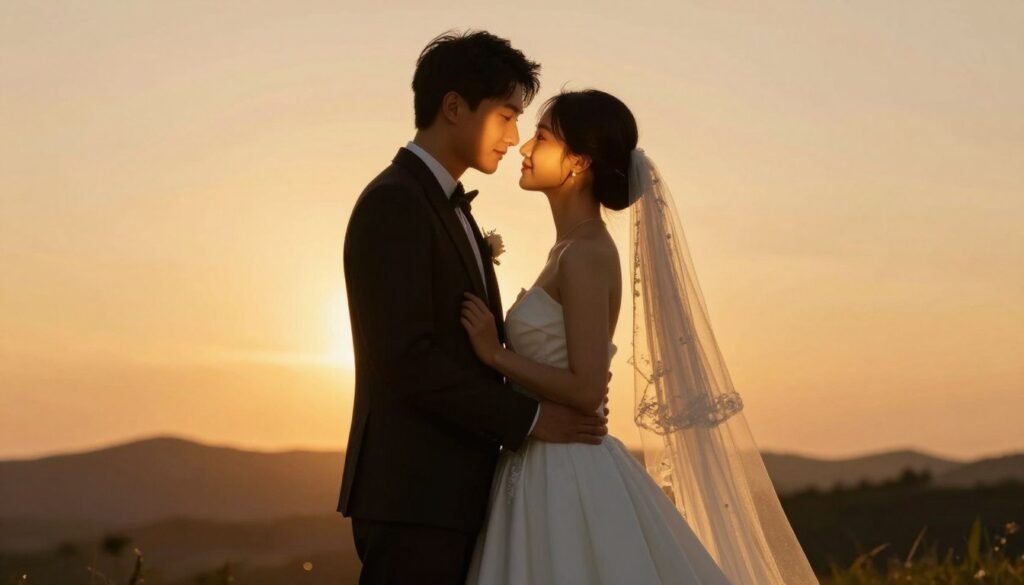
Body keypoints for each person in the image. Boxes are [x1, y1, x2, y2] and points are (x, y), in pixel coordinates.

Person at [461, 89, 820, 585]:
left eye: (541, 138)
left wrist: (493, 354)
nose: (524, 148)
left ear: (578, 162)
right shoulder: (566, 250)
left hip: (565, 471)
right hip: (539, 459)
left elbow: (587, 388)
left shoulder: (586, 253)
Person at [338, 32, 610, 585]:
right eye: (507, 116)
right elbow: (408, 360)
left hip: (459, 495)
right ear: (454, 106)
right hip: (413, 496)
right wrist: (533, 418)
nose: (514, 138)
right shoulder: (395, 203)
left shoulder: (448, 206)